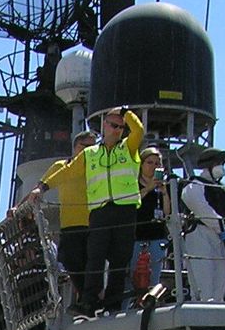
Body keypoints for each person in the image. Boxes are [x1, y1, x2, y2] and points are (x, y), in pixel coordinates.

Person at [22, 129, 97, 312]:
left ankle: (89, 300)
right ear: (75, 147)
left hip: (94, 222)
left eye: (92, 147)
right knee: (71, 261)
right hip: (70, 223)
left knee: (92, 264)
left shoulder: (98, 168)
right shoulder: (61, 167)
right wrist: (18, 208)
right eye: (85, 147)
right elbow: (39, 187)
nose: (88, 151)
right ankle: (85, 298)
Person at [81, 105, 145, 314]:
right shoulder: (90, 153)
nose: (117, 130)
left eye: (121, 127)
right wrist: (43, 186)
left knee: (120, 259)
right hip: (100, 211)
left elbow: (139, 131)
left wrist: (126, 112)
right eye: (114, 125)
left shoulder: (128, 148)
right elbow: (68, 170)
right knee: (95, 257)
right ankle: (89, 301)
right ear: (104, 125)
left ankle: (113, 303)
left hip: (125, 210)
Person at [178, 148, 225, 303]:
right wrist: (220, 225)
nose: (221, 167)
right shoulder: (194, 185)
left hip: (221, 238)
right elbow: (201, 208)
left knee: (220, 280)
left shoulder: (223, 190)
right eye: (218, 163)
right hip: (200, 235)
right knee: (202, 281)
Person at [129, 147, 171, 305]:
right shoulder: (133, 183)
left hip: (157, 236)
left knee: (154, 277)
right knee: (132, 277)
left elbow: (167, 213)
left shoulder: (163, 187)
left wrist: (165, 192)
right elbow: (132, 203)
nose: (153, 166)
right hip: (136, 236)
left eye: (157, 163)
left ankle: (149, 306)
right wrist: (148, 188)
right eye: (149, 162)